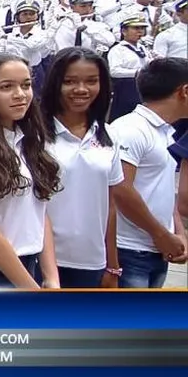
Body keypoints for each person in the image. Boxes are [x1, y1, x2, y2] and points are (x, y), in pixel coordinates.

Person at [0, 54, 62, 289]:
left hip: (29, 263)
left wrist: (51, 276)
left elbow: (39, 209)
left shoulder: (29, 138)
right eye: (6, 87)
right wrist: (30, 289)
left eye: (26, 85)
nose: (20, 94)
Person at [40, 48, 124, 288]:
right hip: (42, 259)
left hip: (91, 261)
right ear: (55, 84)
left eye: (91, 81)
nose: (81, 89)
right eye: (69, 81)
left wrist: (112, 264)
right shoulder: (34, 135)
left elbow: (109, 205)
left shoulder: (109, 135)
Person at [110, 58, 188, 288]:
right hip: (129, 249)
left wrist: (178, 233)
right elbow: (121, 189)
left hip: (157, 249)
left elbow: (162, 189)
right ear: (184, 91)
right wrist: (161, 235)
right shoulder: (130, 129)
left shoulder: (166, 132)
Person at [107, 13, 151, 121]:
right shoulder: (118, 49)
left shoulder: (143, 48)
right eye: (135, 28)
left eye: (142, 28)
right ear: (124, 31)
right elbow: (114, 71)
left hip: (142, 86)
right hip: (126, 88)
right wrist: (136, 72)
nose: (140, 32)